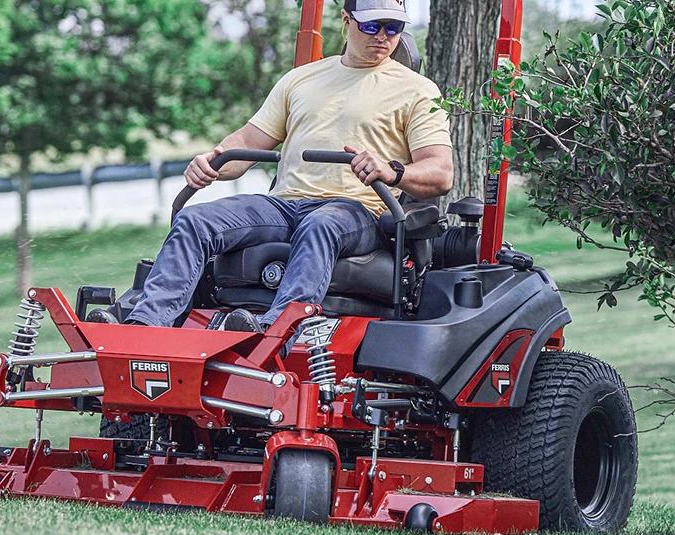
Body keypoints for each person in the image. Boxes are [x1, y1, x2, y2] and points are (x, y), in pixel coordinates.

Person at [124, 0, 453, 331]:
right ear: (346, 20)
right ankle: (145, 328)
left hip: (356, 211)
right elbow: (250, 143)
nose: (383, 36)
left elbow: (440, 173)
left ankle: (275, 333)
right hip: (284, 206)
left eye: (393, 28)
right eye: (371, 26)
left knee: (321, 224)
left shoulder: (418, 91)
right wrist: (213, 162)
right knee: (195, 219)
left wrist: (391, 170)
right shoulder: (301, 79)